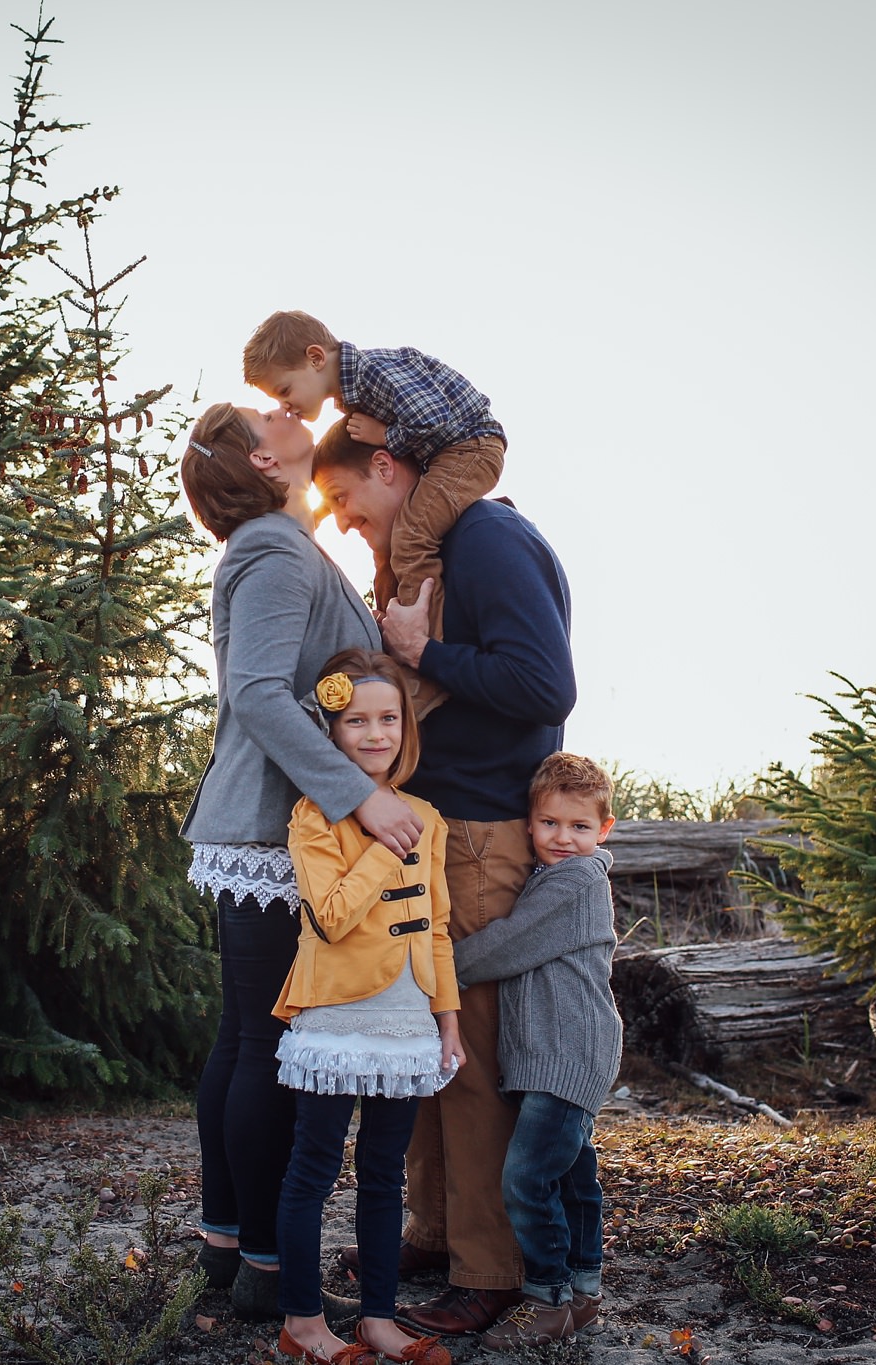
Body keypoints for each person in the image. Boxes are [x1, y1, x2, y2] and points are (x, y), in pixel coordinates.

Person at [311, 427, 576, 1340]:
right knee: (418, 1041)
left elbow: (546, 684)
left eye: (347, 502)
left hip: (480, 832)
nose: (348, 525)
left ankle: (491, 1265)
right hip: (433, 826)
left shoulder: (487, 540)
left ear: (387, 468)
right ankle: (435, 1229)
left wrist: (422, 656)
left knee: (469, 1059)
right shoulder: (441, 550)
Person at [178, 402, 426, 1323]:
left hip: (265, 826)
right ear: (259, 457)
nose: (291, 412)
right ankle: (268, 1268)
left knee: (244, 1038)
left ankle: (228, 1245)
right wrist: (359, 793)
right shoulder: (277, 546)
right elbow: (254, 691)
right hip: (279, 830)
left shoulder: (278, 541)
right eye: (269, 415)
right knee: (269, 1046)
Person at [271, 649, 464, 1365]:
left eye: (389, 718)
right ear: (333, 730)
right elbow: (330, 916)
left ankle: (379, 1318)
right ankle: (303, 1323)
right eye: (358, 720)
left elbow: (437, 925)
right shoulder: (315, 814)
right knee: (314, 1166)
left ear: (405, 727)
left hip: (408, 1017)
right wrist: (385, 846)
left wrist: (448, 1018)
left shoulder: (428, 817)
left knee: (386, 1171)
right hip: (336, 1016)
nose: (376, 732)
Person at [242, 310, 506, 709]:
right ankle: (392, 649)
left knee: (413, 533)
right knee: (388, 551)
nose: (288, 407)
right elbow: (357, 468)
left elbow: (432, 417)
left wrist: (387, 435)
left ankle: (422, 651)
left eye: (285, 391)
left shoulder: (371, 373)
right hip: (448, 452)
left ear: (316, 358)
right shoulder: (352, 394)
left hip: (471, 447)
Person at [451, 753, 622, 1349]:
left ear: (604, 829)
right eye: (550, 823)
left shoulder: (578, 881)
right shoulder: (549, 878)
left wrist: (436, 971)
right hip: (550, 1055)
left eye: (579, 826)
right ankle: (584, 1290)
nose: (563, 838)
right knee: (573, 1178)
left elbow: (506, 946)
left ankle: (546, 1300)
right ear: (529, 824)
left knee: (526, 1178)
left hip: (569, 1052)